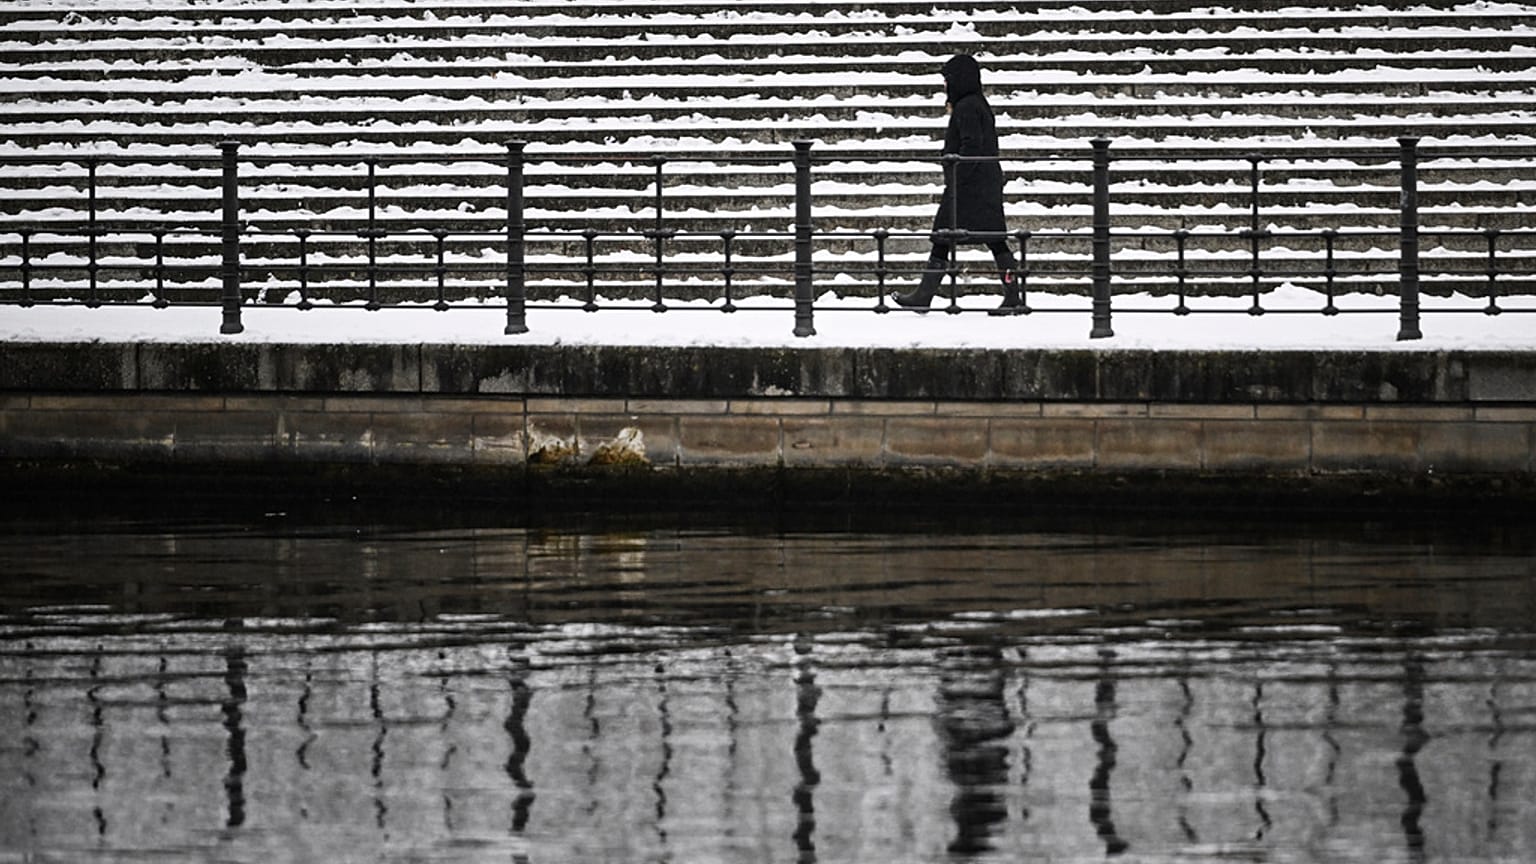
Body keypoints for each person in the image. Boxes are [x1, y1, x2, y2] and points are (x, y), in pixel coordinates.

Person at [892, 54, 1022, 315]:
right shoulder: (975, 103)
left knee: (951, 235)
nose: (945, 85)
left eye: (947, 79)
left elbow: (971, 145)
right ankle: (1011, 295)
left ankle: (925, 296)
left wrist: (956, 177)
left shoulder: (967, 107)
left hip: (970, 185)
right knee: (987, 238)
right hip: (981, 182)